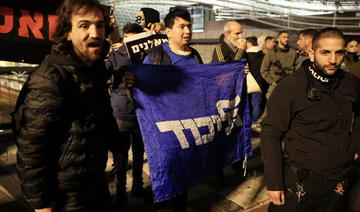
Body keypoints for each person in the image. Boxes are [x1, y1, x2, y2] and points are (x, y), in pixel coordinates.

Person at [14, 0, 123, 211]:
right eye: (84, 25)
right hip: (65, 194)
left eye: (99, 25)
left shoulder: (94, 69)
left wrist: (116, 143)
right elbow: (32, 147)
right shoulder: (50, 78)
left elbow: (99, 113)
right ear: (67, 33)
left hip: (94, 182)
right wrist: (42, 203)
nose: (95, 33)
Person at [260, 27, 360, 212]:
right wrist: (274, 182)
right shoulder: (290, 88)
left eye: (338, 53)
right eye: (325, 53)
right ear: (312, 53)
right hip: (301, 179)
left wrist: (355, 147)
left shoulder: (351, 83)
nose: (332, 60)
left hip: (339, 179)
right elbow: (270, 133)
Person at [142, 7, 202, 212]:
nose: (187, 31)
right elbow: (143, 90)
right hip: (163, 131)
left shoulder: (195, 56)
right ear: (168, 31)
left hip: (187, 128)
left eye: (189, 26)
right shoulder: (155, 56)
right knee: (164, 175)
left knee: (183, 178)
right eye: (181, 27)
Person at [106, 23, 148, 208]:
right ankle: (120, 192)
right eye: (126, 38)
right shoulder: (118, 54)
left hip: (141, 111)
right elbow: (104, 70)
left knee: (139, 152)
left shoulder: (149, 55)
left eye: (132, 39)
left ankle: (137, 186)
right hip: (122, 110)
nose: (127, 43)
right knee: (120, 156)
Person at [260, 31, 297, 99]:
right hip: (275, 86)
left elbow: (296, 68)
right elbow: (263, 70)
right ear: (278, 39)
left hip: (288, 85)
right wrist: (272, 82)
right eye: (284, 37)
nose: (286, 39)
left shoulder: (293, 52)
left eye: (287, 37)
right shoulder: (271, 53)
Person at [245, 36, 267, 132]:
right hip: (259, 83)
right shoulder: (263, 55)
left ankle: (247, 122)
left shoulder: (245, 55)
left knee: (247, 104)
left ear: (249, 43)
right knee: (256, 103)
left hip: (247, 83)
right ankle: (255, 122)